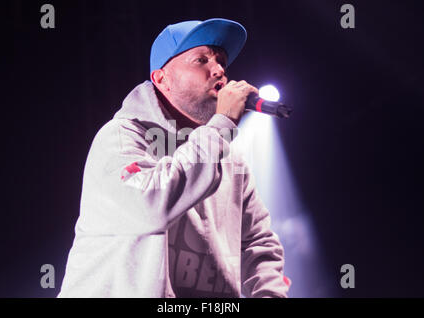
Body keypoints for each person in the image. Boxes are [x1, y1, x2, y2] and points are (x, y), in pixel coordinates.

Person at [58, 18, 290, 298]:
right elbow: (150, 206)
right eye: (201, 60)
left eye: (222, 62)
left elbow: (258, 243)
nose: (219, 70)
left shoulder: (229, 157)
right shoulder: (121, 137)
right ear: (161, 79)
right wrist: (222, 125)